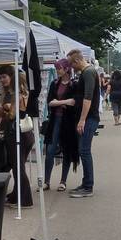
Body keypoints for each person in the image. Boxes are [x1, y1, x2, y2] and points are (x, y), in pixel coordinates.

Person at [0, 66, 33, 208]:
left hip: (19, 134)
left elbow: (12, 115)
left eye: (4, 76)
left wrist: (4, 109)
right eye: (0, 77)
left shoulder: (17, 94)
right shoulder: (11, 93)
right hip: (17, 133)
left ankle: (25, 200)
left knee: (18, 167)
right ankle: (16, 196)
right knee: (16, 165)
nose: (2, 80)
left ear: (11, 77)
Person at [66, 49, 101, 198]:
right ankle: (86, 183)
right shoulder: (89, 72)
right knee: (84, 150)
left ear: (77, 61)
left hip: (89, 117)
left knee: (84, 150)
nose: (71, 68)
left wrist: (82, 119)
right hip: (89, 117)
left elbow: (88, 98)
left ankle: (88, 186)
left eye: (70, 64)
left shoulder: (87, 73)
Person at [44, 59, 79, 191]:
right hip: (55, 120)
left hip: (68, 122)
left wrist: (57, 102)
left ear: (66, 69)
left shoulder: (74, 84)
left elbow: (74, 103)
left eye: (59, 68)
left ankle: (63, 181)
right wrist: (63, 103)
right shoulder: (54, 83)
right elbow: (50, 102)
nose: (57, 70)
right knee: (50, 150)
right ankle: (47, 181)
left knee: (67, 151)